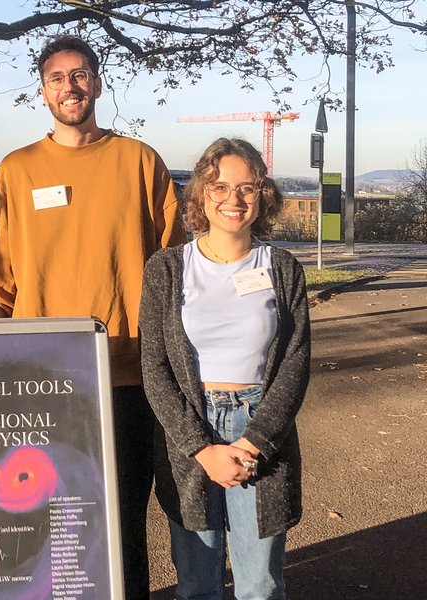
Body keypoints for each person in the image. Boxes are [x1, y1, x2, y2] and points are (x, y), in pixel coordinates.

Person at [0, 35, 187, 600]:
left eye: (80, 74)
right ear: (42, 92)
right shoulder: (17, 170)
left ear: (97, 80)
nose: (70, 86)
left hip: (129, 373)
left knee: (122, 519)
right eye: (57, 78)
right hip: (42, 378)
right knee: (43, 521)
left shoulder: (139, 161)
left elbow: (175, 263)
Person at [139, 137, 311, 600]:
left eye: (247, 187)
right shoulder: (167, 269)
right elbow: (155, 369)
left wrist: (254, 442)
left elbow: (294, 364)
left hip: (260, 430)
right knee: (196, 584)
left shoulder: (282, 268)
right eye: (219, 186)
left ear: (263, 195)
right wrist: (200, 448)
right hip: (189, 432)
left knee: (261, 584)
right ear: (200, 193)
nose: (233, 199)